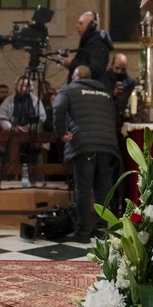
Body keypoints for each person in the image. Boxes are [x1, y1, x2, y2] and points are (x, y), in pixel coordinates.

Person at [53, 66, 119, 243]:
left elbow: (58, 108)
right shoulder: (104, 92)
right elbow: (113, 116)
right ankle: (101, 229)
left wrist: (60, 133)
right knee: (101, 189)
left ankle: (82, 232)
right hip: (107, 144)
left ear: (74, 77)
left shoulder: (68, 89)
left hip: (84, 144)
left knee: (83, 189)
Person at [58, 12, 113, 84]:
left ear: (91, 26)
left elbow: (96, 70)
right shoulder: (88, 42)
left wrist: (72, 63)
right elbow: (85, 64)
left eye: (81, 23)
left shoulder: (98, 44)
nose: (77, 26)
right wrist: (69, 64)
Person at [107, 53, 137, 118]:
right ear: (111, 65)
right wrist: (114, 94)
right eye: (117, 68)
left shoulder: (130, 82)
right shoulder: (104, 79)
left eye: (123, 69)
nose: (119, 71)